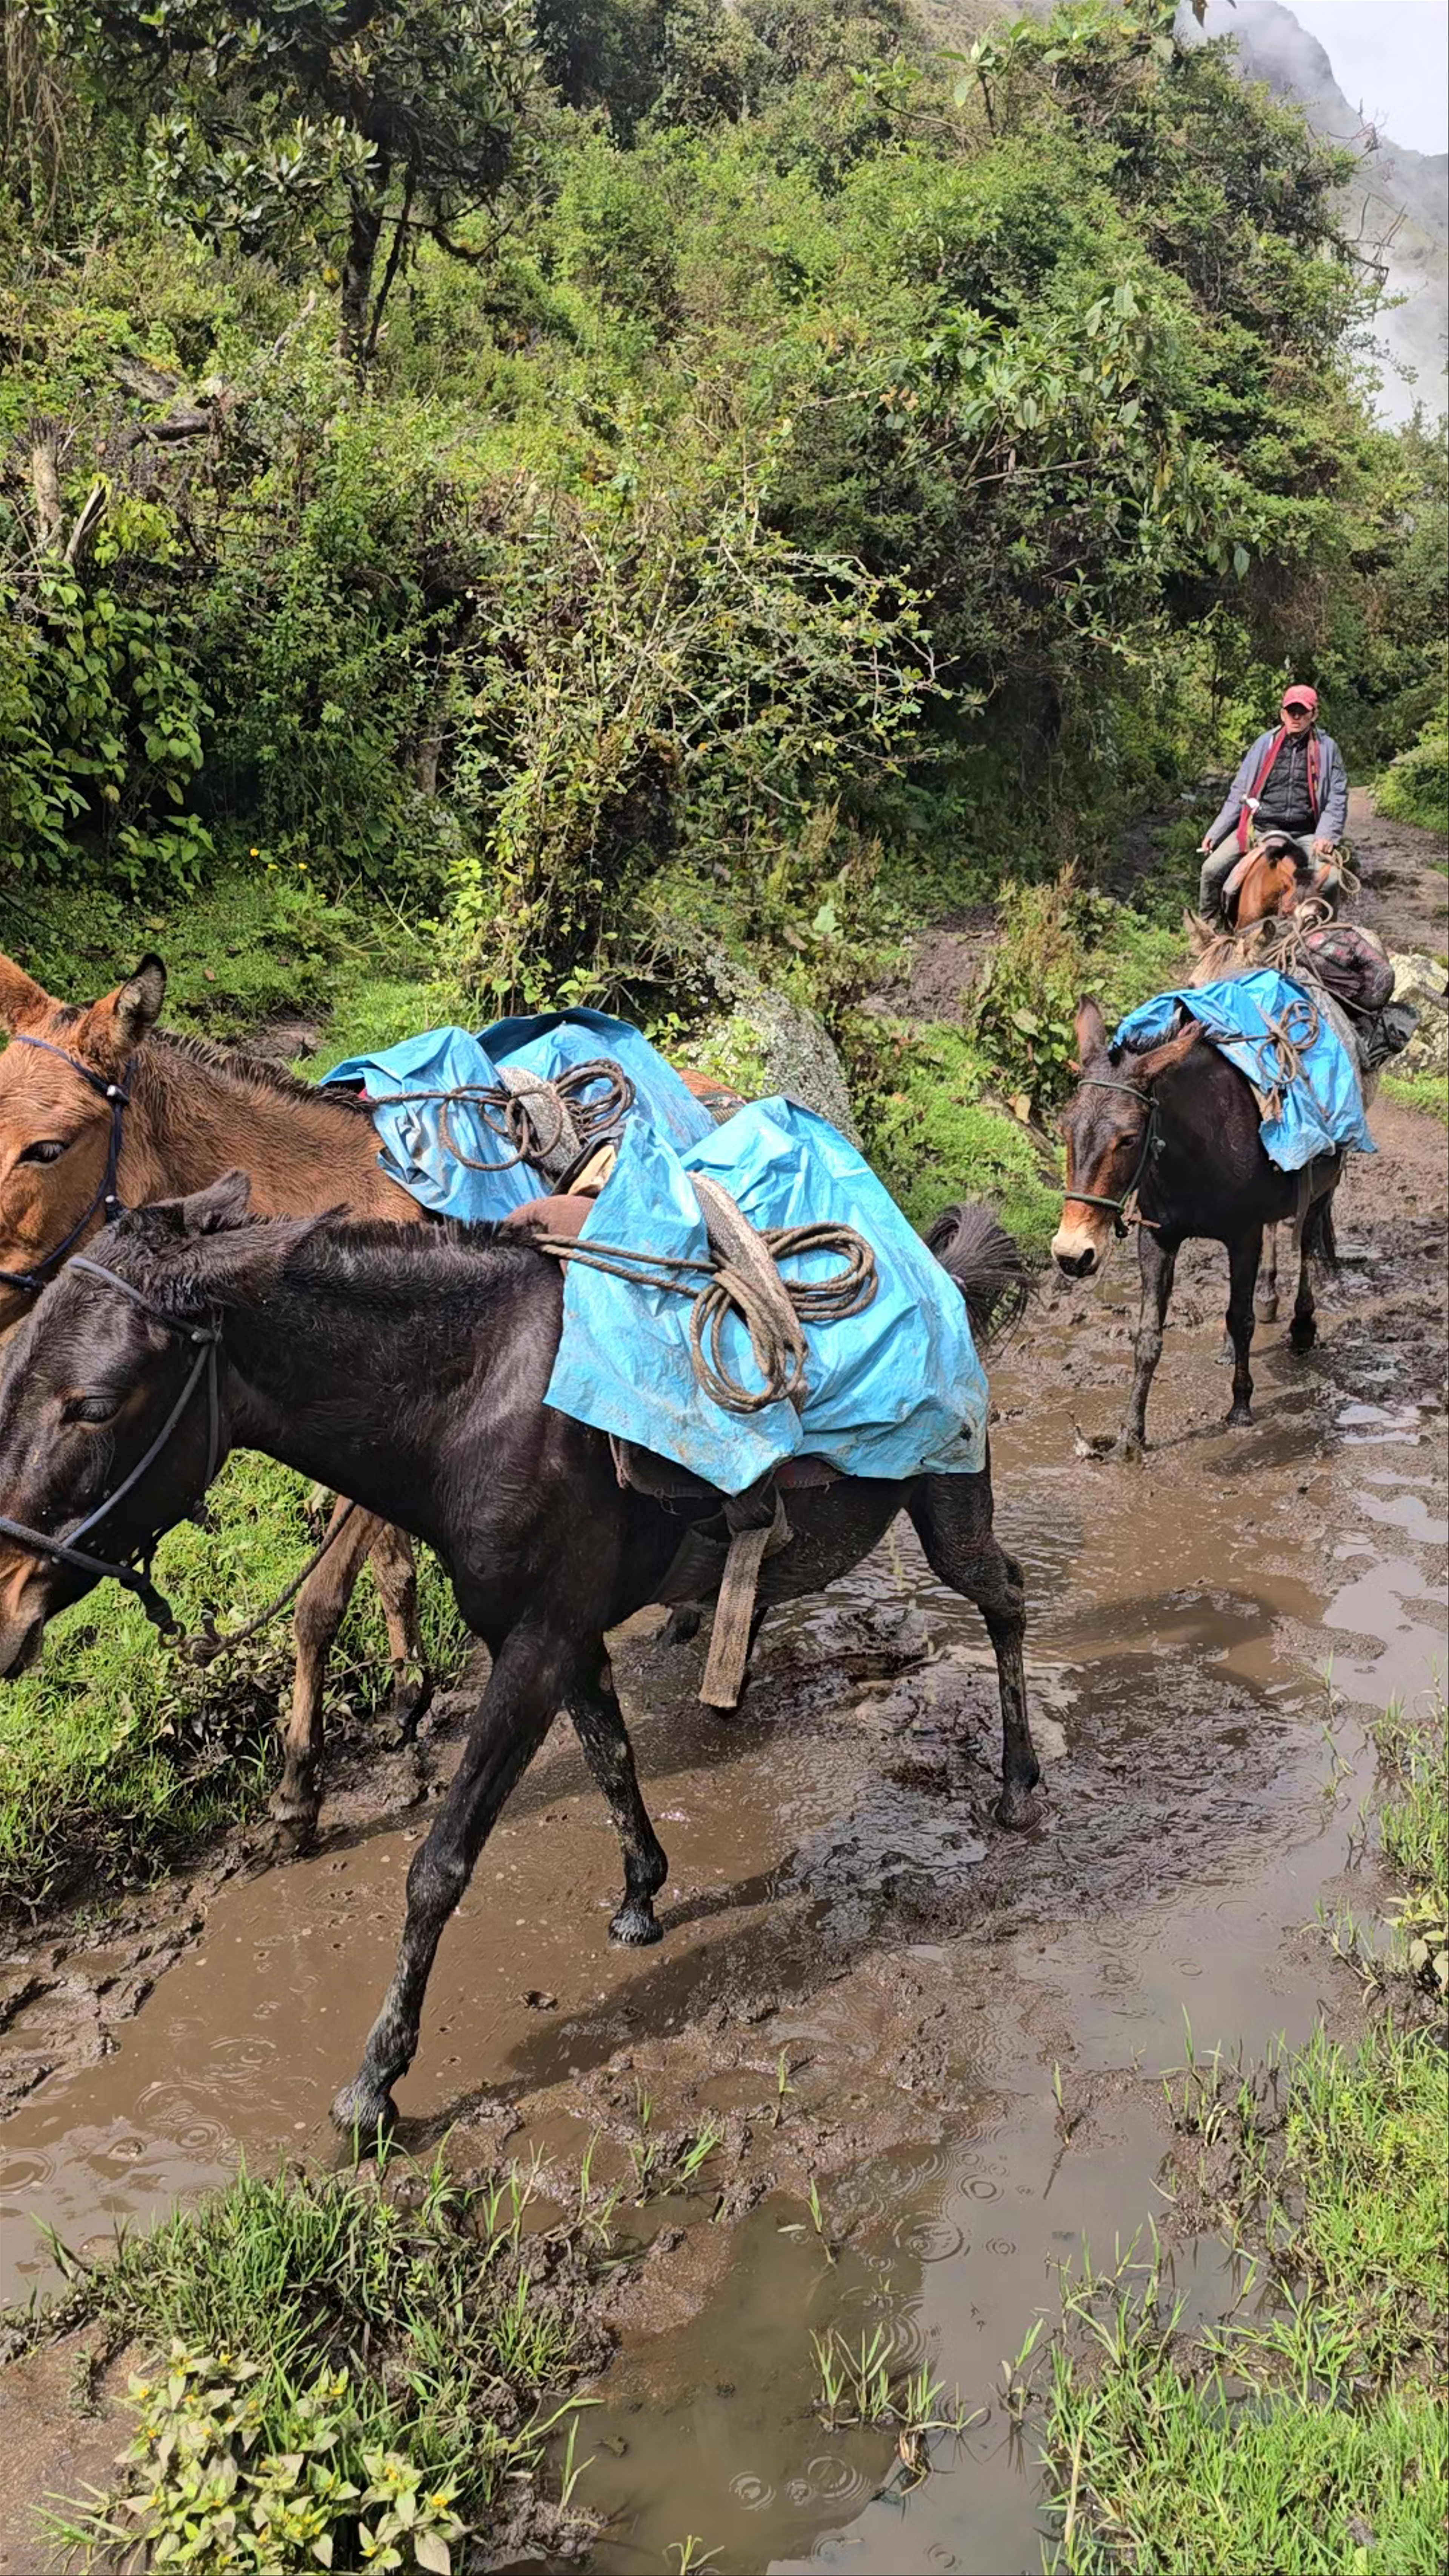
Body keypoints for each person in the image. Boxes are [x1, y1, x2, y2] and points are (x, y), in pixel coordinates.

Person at [1198, 684, 1348, 924]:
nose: (1296, 717)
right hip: (1262, 830)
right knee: (1211, 870)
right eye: (1292, 712)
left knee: (1329, 881)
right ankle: (1212, 936)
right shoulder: (1264, 745)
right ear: (1283, 714)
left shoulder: (1328, 749)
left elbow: (1337, 796)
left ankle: (1328, 939)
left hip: (1306, 834)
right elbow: (1240, 791)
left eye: (1302, 712)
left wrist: (1327, 834)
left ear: (1314, 714)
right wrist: (1216, 832)